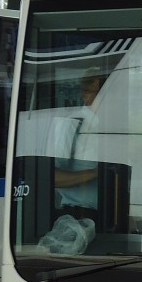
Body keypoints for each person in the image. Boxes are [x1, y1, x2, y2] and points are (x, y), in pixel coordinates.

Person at [54, 70, 105, 217]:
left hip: (112, 216)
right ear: (85, 95)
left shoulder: (114, 126)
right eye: (101, 93)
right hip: (79, 215)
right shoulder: (72, 125)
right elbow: (52, 177)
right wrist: (96, 173)